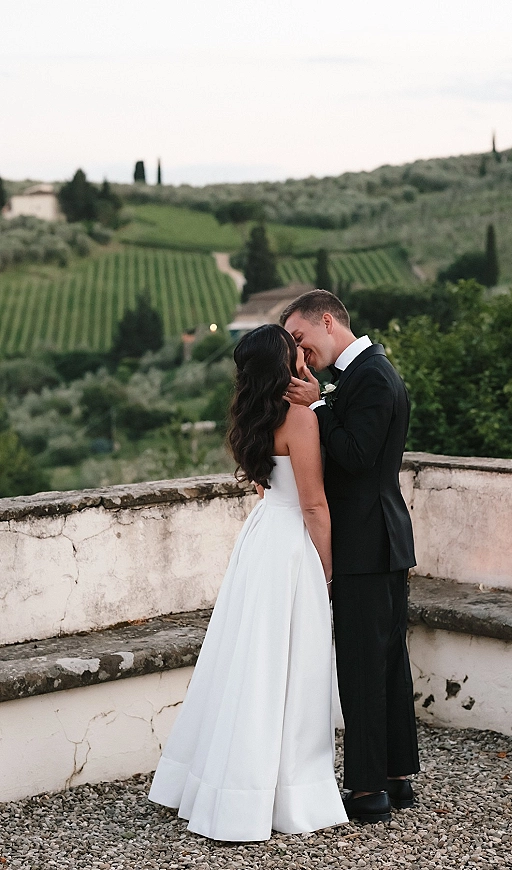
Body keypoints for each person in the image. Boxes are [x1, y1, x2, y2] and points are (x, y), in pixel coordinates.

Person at [148, 324, 348, 841]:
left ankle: (229, 786)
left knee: (248, 660)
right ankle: (286, 793)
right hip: (290, 547)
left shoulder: (250, 416)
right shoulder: (299, 418)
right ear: (283, 365)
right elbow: (313, 503)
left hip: (260, 537)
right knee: (290, 665)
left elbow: (268, 488)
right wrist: (327, 569)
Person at [281, 290, 420, 824]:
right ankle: (395, 779)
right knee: (386, 665)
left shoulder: (372, 376)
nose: (300, 349)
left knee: (364, 668)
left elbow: (358, 457)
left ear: (326, 320)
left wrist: (316, 405)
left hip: (366, 542)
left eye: (300, 337)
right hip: (380, 538)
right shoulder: (366, 372)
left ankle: (367, 792)